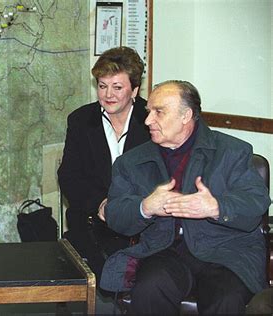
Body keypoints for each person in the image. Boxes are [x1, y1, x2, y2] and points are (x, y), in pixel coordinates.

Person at [98, 80, 271, 314]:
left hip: (226, 252)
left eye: (159, 112)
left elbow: (255, 203)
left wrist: (217, 207)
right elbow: (116, 214)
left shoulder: (233, 152)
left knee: (226, 298)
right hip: (163, 250)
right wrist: (145, 207)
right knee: (149, 289)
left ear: (186, 115)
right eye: (149, 112)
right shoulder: (132, 162)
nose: (148, 120)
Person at [57, 46, 150, 282]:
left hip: (139, 220)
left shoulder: (151, 121)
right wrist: (101, 203)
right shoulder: (80, 120)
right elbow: (69, 176)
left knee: (140, 274)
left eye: (117, 87)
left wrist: (126, 206)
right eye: (102, 86)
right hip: (92, 219)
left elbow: (159, 176)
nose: (108, 95)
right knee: (105, 269)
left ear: (135, 90)